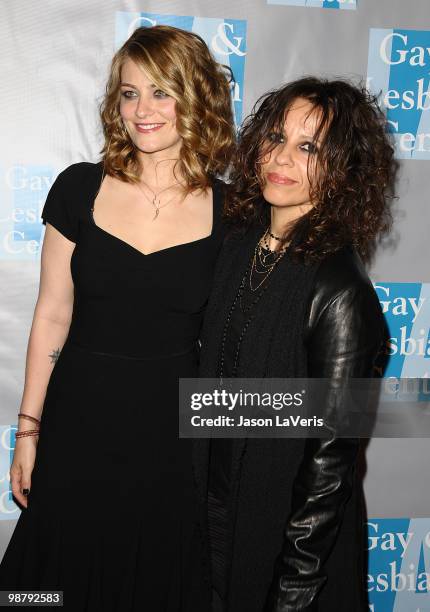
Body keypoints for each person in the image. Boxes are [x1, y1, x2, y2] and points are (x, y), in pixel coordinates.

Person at [0, 25, 235, 611]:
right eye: (130, 94)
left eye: (161, 92)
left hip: (173, 440)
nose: (142, 110)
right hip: (80, 422)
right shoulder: (79, 189)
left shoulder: (233, 210)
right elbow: (52, 315)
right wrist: (28, 431)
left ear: (195, 97)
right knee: (46, 589)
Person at [195, 77, 396, 611]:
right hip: (213, 516)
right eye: (276, 137)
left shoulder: (341, 288)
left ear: (343, 168)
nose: (281, 157)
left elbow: (331, 462)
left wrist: (295, 587)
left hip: (282, 546)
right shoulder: (238, 245)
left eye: (308, 147)